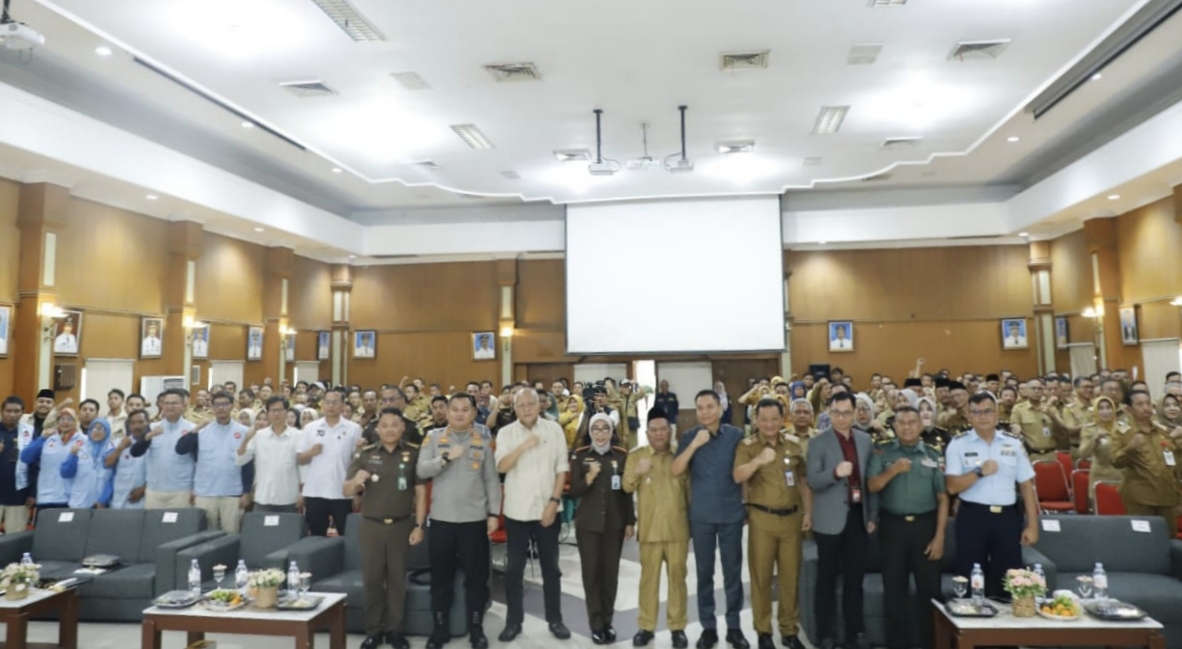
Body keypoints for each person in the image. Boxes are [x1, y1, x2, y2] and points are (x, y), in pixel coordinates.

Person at [416, 393, 501, 649]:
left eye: (466, 409)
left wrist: (494, 513)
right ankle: (439, 630)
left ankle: (476, 629)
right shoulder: (433, 438)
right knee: (441, 579)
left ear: (474, 413)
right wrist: (445, 458)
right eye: (455, 409)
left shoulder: (483, 440)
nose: (460, 413)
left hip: (473, 522)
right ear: (447, 412)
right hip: (441, 521)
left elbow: (491, 480)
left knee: (476, 580)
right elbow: (420, 470)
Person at [344, 407, 427, 649]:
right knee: (372, 580)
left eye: (395, 425)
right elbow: (346, 490)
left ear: (402, 428)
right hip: (371, 526)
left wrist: (419, 525)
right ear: (377, 429)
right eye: (385, 425)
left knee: (397, 581)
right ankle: (373, 631)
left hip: (402, 525)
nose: (389, 429)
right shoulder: (365, 455)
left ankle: (395, 631)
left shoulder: (413, 453)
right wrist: (356, 482)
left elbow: (421, 494)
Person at [493, 389, 571, 642]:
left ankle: (555, 619)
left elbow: (561, 469)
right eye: (521, 405)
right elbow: (501, 466)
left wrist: (554, 502)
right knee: (514, 570)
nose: (526, 408)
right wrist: (523, 446)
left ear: (540, 405)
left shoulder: (554, 430)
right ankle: (514, 622)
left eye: (531, 404)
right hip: (517, 512)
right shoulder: (506, 433)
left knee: (551, 569)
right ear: (514, 408)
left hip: (548, 510)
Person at [733, 399, 812, 649]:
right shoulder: (747, 446)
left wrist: (808, 512)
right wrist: (758, 461)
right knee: (761, 577)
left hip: (791, 520)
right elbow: (738, 476)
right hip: (761, 520)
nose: (769, 424)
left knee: (790, 578)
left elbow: (802, 480)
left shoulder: (793, 445)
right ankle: (763, 631)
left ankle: (789, 630)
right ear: (756, 420)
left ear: (782, 419)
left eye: (774, 419)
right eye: (763, 419)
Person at [867, 406, 948, 649]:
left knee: (930, 590)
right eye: (901, 422)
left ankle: (930, 642)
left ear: (921, 425)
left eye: (912, 422)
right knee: (894, 590)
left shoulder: (933, 455)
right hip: (893, 528)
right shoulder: (882, 451)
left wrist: (940, 536)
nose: (907, 427)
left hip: (926, 527)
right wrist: (893, 470)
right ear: (894, 426)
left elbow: (943, 499)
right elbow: (872, 486)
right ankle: (897, 643)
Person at [672, 390, 748, 649]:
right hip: (702, 516)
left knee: (732, 572)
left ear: (720, 407)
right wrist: (695, 445)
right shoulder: (689, 437)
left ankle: (734, 627)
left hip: (731, 514)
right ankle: (708, 627)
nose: (704, 412)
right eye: (699, 408)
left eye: (709, 406)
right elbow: (676, 469)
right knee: (704, 573)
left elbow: (743, 472)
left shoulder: (736, 435)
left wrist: (745, 504)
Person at [945, 391, 1039, 600]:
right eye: (976, 412)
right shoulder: (958, 444)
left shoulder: (1013, 444)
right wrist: (979, 472)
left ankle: (1006, 630)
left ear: (997, 414)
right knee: (969, 577)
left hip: (1007, 518)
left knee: (1009, 578)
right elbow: (952, 487)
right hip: (972, 517)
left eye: (987, 411)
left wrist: (1032, 525)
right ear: (969, 415)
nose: (982, 416)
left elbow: (1026, 485)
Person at [806, 392, 875, 649]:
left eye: (847, 412)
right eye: (836, 413)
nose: (842, 418)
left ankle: (855, 632)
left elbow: (870, 483)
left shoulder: (866, 440)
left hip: (858, 517)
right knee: (826, 579)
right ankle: (825, 634)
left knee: (854, 580)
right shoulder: (818, 442)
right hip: (829, 521)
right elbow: (813, 480)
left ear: (856, 412)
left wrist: (873, 515)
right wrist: (835, 473)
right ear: (829, 412)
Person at [624, 407, 689, 649]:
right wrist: (637, 472)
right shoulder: (637, 456)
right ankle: (646, 626)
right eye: (654, 430)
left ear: (670, 431)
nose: (659, 434)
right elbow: (626, 487)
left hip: (678, 530)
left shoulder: (681, 455)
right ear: (647, 432)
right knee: (648, 582)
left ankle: (677, 627)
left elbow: (690, 492)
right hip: (650, 531)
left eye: (663, 429)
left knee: (677, 581)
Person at [569, 413, 635, 644]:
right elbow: (573, 491)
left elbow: (627, 492)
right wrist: (589, 477)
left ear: (611, 431)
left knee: (610, 577)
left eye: (604, 428)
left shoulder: (621, 456)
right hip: (588, 526)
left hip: (614, 525)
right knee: (592, 575)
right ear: (590, 431)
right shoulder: (579, 456)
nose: (599, 433)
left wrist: (630, 521)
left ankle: (608, 622)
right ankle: (595, 624)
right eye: (595, 428)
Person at [1111, 390, 1181, 538]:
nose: (1146, 407)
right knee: (1143, 541)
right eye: (1140, 404)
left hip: (1166, 496)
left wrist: (1178, 496)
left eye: (1148, 403)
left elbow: (1172, 465)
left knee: (1169, 540)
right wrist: (1131, 447)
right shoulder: (1123, 432)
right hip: (1141, 498)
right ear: (1129, 409)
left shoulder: (1161, 430)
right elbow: (1116, 461)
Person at [176, 391, 250, 532]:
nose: (221, 408)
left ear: (232, 406)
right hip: (205, 492)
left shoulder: (244, 432)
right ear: (212, 407)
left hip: (233, 492)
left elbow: (247, 465)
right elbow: (180, 449)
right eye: (217, 405)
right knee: (204, 536)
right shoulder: (202, 432)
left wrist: (246, 492)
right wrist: (196, 428)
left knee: (232, 534)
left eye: (225, 404)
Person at [297, 389, 362, 536]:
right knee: (315, 536)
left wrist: (356, 492)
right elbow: (300, 459)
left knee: (347, 536)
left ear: (343, 405)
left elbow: (357, 463)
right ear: (322, 404)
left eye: (335, 402)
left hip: (343, 493)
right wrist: (310, 453)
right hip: (315, 492)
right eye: (327, 402)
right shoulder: (310, 428)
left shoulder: (354, 429)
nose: (331, 406)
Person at [129, 389, 197, 508]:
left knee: (180, 525)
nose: (170, 407)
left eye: (174, 403)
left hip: (181, 491)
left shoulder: (192, 429)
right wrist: (147, 438)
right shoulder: (152, 427)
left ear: (183, 405)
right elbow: (135, 452)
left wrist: (195, 488)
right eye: (167, 403)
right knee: (154, 526)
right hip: (154, 491)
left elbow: (198, 461)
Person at [237, 396, 302, 513]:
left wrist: (303, 493)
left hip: (289, 498)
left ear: (286, 412)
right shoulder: (259, 436)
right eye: (273, 410)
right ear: (268, 413)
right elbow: (241, 459)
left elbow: (303, 467)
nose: (277, 414)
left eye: (280, 410)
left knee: (288, 531)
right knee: (262, 531)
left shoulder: (298, 436)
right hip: (263, 498)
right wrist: (246, 439)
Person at [20, 407, 83, 517]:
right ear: (57, 422)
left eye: (70, 419)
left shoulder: (83, 440)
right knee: (45, 533)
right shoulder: (48, 439)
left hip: (70, 499)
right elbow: (26, 457)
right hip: (46, 497)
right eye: (62, 419)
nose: (66, 422)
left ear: (76, 421)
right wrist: (42, 437)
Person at [60, 418, 117, 509]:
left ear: (107, 431)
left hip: (99, 505)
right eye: (93, 428)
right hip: (78, 503)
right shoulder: (79, 449)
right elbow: (65, 473)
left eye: (101, 428)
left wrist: (103, 500)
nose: (97, 432)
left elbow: (113, 481)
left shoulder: (112, 452)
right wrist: (72, 456)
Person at [1076, 396, 1124, 502]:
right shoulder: (1090, 429)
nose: (1105, 411)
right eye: (1101, 408)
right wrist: (1095, 439)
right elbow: (1082, 454)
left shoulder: (1123, 427)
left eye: (1108, 407)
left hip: (1121, 477)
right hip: (1101, 476)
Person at [0, 397, 34, 532]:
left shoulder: (29, 432)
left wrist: (33, 493)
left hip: (19, 495)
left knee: (14, 539)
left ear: (23, 412)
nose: (12, 415)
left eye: (16, 411)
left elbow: (35, 464)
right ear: (2, 411)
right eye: (8, 411)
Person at [1009, 379, 1058, 461]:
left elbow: (1062, 433)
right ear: (1027, 391)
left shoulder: (1051, 408)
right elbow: (1013, 434)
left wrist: (1052, 416)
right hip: (1030, 456)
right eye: (1033, 388)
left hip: (1051, 455)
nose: (1036, 391)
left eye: (1039, 389)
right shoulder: (1019, 409)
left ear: (1043, 391)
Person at [109, 409, 149, 509]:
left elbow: (160, 472)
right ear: (128, 425)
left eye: (140, 422)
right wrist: (120, 448)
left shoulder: (154, 443)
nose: (137, 426)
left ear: (148, 423)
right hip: (120, 499)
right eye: (133, 423)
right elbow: (107, 463)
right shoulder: (118, 442)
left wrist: (143, 489)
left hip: (144, 498)